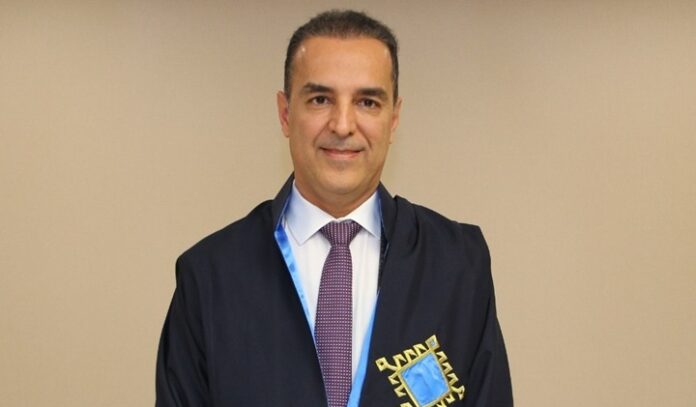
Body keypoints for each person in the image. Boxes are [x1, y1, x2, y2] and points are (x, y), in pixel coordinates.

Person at [156, 9, 512, 407]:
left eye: (367, 102)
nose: (343, 125)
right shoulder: (209, 277)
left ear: (394, 119)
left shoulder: (457, 265)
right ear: (285, 114)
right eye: (321, 99)